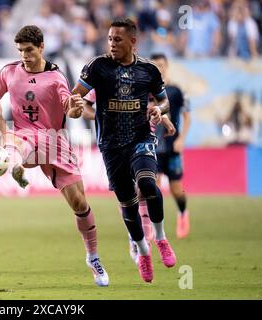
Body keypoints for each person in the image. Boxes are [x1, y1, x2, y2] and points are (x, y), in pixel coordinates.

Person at [0, 25, 109, 287]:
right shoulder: (8, 72)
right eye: (20, 50)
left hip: (55, 141)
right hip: (24, 137)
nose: (24, 55)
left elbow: (71, 109)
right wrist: (2, 130)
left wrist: (76, 108)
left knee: (79, 203)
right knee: (16, 145)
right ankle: (13, 161)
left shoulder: (56, 78)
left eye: (29, 50)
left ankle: (93, 256)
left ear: (41, 46)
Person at [69, 18, 177, 283]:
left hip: (141, 138)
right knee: (127, 202)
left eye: (117, 39)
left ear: (132, 41)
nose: (112, 44)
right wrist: (73, 105)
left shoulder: (149, 71)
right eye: (109, 39)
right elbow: (76, 95)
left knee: (148, 185)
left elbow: (164, 102)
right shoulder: (98, 67)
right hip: (111, 145)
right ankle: (142, 252)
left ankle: (161, 238)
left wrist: (158, 111)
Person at [83, 89, 176, 262]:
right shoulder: (101, 76)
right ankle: (136, 238)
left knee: (145, 183)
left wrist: (163, 116)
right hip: (113, 143)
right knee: (127, 194)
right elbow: (84, 107)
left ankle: (152, 237)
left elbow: (156, 103)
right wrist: (102, 116)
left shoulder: (142, 71)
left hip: (142, 137)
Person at [150, 53, 191, 239]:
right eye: (155, 64)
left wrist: (181, 139)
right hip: (152, 146)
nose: (159, 67)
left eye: (161, 64)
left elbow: (186, 116)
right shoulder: (146, 90)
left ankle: (183, 213)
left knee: (176, 189)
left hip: (172, 146)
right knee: (153, 188)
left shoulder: (175, 90)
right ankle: (154, 227)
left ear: (166, 66)